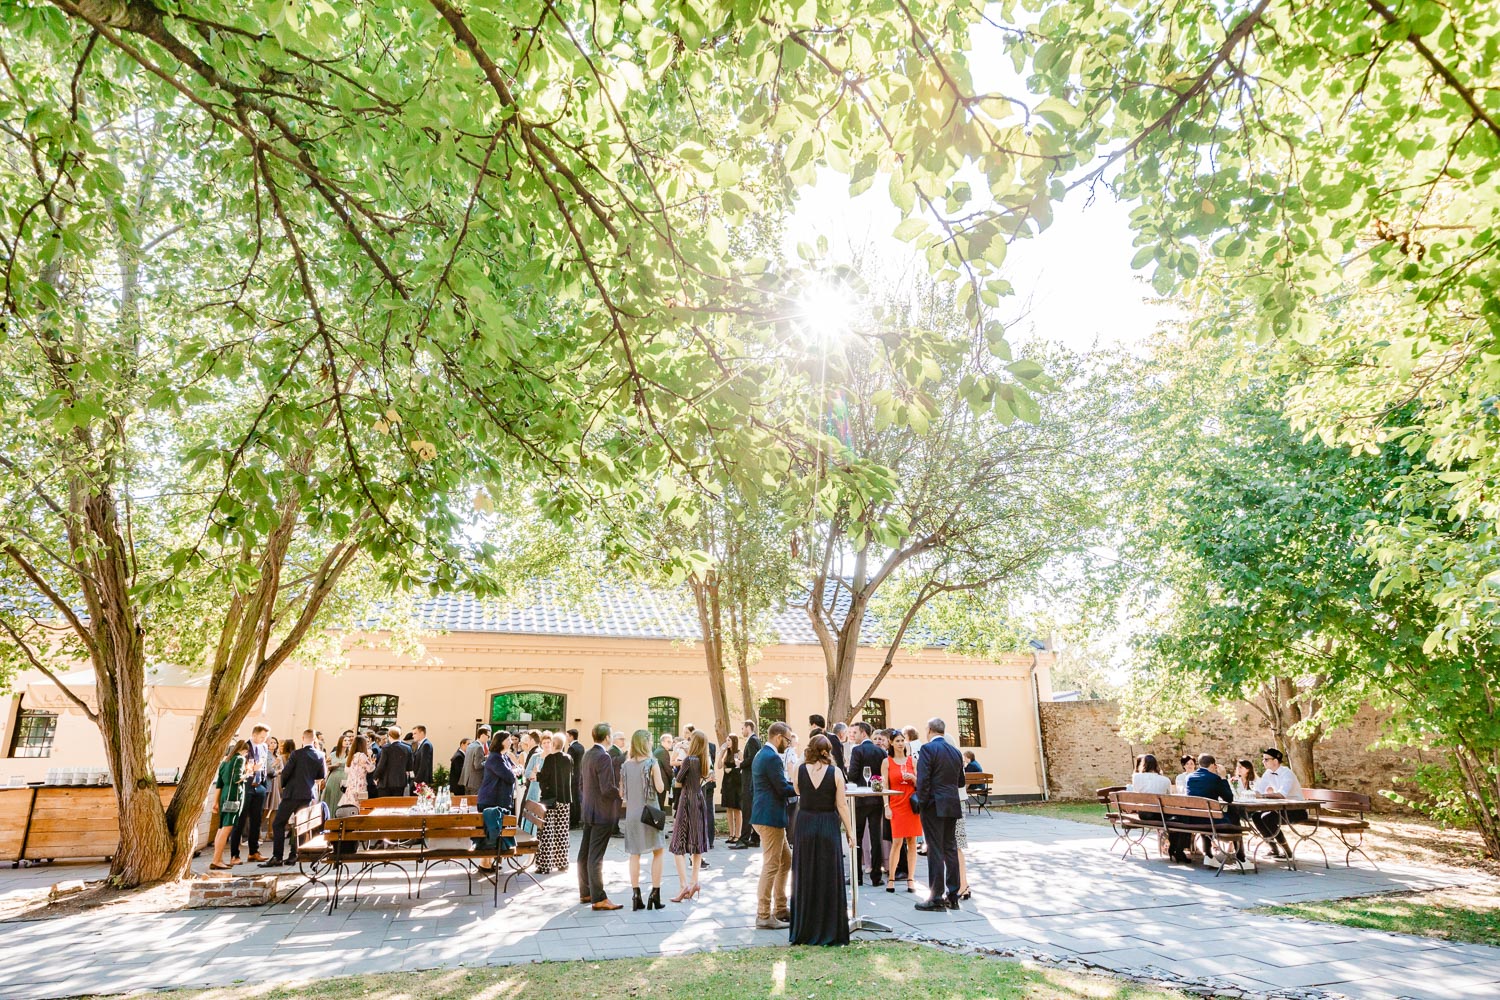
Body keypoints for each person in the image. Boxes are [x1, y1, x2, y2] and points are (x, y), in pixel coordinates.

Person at [790, 734, 854, 946]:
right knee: (828, 875)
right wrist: (850, 831)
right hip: (827, 823)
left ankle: (805, 929)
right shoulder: (835, 772)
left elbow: (798, 791)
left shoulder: (799, 770)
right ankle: (829, 928)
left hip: (805, 823)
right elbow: (842, 805)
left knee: (805, 874)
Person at [749, 721, 796, 929]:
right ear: (778, 737)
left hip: (766, 815)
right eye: (788, 740)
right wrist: (801, 786)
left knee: (786, 861)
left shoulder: (762, 755)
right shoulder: (771, 758)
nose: (788, 744)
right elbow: (781, 788)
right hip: (769, 818)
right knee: (771, 865)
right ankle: (763, 914)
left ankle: (780, 908)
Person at [913, 717, 964, 911]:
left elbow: (923, 780)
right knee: (950, 848)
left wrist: (922, 802)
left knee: (934, 849)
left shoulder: (928, 749)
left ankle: (935, 896)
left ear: (930, 730)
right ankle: (953, 894)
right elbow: (960, 781)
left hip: (933, 804)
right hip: (951, 803)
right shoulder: (955, 751)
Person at [261, 730, 326, 867]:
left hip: (292, 792)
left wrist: (284, 785)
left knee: (278, 823)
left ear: (302, 738)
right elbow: (321, 775)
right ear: (314, 739)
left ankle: (277, 856)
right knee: (301, 825)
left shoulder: (296, 754)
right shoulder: (320, 755)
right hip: (307, 793)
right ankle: (294, 854)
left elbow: (286, 772)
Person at [620, 729, 667, 911]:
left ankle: (635, 894)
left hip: (632, 814)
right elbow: (661, 788)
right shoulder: (651, 763)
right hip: (650, 814)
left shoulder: (625, 765)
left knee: (634, 854)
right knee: (658, 851)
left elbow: (622, 793)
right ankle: (655, 893)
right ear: (645, 743)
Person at [578, 722, 623, 909]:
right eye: (611, 735)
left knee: (585, 853)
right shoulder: (603, 757)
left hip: (588, 809)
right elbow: (606, 789)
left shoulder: (588, 754)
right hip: (602, 812)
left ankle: (586, 892)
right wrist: (620, 793)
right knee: (596, 856)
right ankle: (599, 898)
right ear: (607, 737)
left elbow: (582, 784)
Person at [668, 730, 711, 900]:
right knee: (697, 842)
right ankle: (695, 882)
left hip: (687, 800)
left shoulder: (689, 760)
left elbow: (678, 781)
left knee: (678, 843)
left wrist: (681, 753)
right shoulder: (704, 760)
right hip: (699, 800)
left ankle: (683, 885)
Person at [1184, 753, 1245, 868]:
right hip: (1210, 821)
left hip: (1193, 820)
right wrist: (1222, 777)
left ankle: (1209, 855)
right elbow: (1229, 798)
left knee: (1206, 815)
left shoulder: (1189, 777)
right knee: (1234, 815)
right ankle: (1241, 857)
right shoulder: (1214, 779)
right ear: (1212, 765)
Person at [847, 721, 888, 886]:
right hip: (877, 799)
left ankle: (857, 876)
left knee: (856, 836)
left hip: (861, 799)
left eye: (855, 733)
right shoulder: (881, 751)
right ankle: (876, 876)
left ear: (863, 733)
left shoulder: (857, 750)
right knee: (875, 837)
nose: (853, 736)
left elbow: (852, 774)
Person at [883, 729, 921, 894]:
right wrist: (886, 806)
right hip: (896, 804)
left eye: (902, 740)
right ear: (891, 743)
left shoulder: (912, 761)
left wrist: (913, 779)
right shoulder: (887, 762)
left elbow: (921, 784)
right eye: (897, 741)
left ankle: (910, 878)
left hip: (911, 804)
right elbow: (884, 786)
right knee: (897, 842)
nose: (900, 743)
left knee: (912, 842)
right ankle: (891, 878)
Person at [1251, 748, 1306, 859]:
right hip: (1280, 808)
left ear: (1275, 761)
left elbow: (1282, 794)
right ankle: (1273, 848)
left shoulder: (1287, 773)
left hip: (1296, 810)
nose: (1263, 762)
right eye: (1263, 759)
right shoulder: (1268, 773)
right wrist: (1249, 793)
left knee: (1267, 817)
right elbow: (1259, 790)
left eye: (1266, 759)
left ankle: (1287, 852)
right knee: (1256, 816)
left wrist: (1262, 796)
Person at [535, 733, 574, 873]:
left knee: (547, 833)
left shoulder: (550, 758)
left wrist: (537, 774)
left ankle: (545, 865)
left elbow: (545, 777)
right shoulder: (568, 758)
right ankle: (562, 862)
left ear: (553, 744)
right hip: (564, 798)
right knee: (562, 832)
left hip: (550, 799)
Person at [209, 740, 249, 870]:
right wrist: (249, 772)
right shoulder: (239, 759)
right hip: (234, 796)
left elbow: (219, 784)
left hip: (224, 795)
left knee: (221, 829)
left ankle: (218, 858)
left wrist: (215, 802)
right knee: (226, 829)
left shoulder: (225, 761)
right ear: (244, 750)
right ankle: (216, 860)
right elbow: (237, 778)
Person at [730, 719, 761, 848]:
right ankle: (754, 838)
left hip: (750, 781)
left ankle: (743, 840)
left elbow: (753, 759)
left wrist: (740, 764)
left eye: (742, 728)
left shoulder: (753, 740)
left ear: (748, 727)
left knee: (747, 810)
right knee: (751, 810)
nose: (741, 731)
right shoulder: (753, 740)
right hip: (750, 779)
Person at [477, 731, 516, 814]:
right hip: (491, 802)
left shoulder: (505, 756)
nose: (511, 742)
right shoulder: (495, 758)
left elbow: (516, 769)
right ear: (500, 742)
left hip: (502, 801)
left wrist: (516, 771)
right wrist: (515, 771)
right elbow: (510, 777)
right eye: (508, 740)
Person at [715, 734, 742, 842]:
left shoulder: (739, 753)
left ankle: (738, 834)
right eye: (726, 740)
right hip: (727, 783)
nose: (727, 742)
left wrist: (732, 770)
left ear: (734, 741)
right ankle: (731, 834)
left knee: (736, 809)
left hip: (736, 783)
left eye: (729, 740)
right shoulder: (727, 753)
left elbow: (741, 767)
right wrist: (722, 752)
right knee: (728, 808)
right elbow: (719, 766)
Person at [372, 726, 412, 797]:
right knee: (396, 805)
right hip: (400, 781)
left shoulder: (386, 748)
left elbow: (381, 765)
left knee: (384, 805)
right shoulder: (408, 748)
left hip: (386, 782)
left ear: (389, 736)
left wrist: (375, 776)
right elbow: (409, 766)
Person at [321, 731, 353, 815]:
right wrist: (333, 765)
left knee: (341, 798)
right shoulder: (333, 754)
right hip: (333, 777)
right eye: (345, 740)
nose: (347, 742)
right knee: (331, 797)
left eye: (348, 741)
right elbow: (326, 767)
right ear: (340, 742)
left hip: (344, 777)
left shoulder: (350, 755)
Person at [519, 733, 546, 834]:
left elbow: (524, 772)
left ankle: (525, 831)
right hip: (529, 784)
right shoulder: (533, 753)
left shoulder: (534, 753)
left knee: (527, 810)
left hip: (531, 786)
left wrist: (521, 782)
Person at [340, 735, 374, 810]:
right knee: (360, 807)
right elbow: (370, 768)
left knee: (351, 807)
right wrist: (370, 757)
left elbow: (347, 770)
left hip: (351, 785)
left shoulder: (351, 756)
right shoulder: (362, 756)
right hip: (360, 785)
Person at [461, 728, 489, 798]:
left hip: (467, 780)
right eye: (488, 736)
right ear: (482, 735)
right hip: (475, 782)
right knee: (474, 804)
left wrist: (485, 758)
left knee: (467, 803)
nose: (488, 739)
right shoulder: (479, 747)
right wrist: (488, 760)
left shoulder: (470, 745)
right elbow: (478, 765)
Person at [566, 728, 586, 828]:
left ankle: (573, 821)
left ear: (571, 736)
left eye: (567, 736)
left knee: (573, 798)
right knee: (577, 798)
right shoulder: (581, 747)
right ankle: (577, 820)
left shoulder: (571, 748)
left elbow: (568, 763)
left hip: (573, 776)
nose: (566, 738)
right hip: (580, 775)